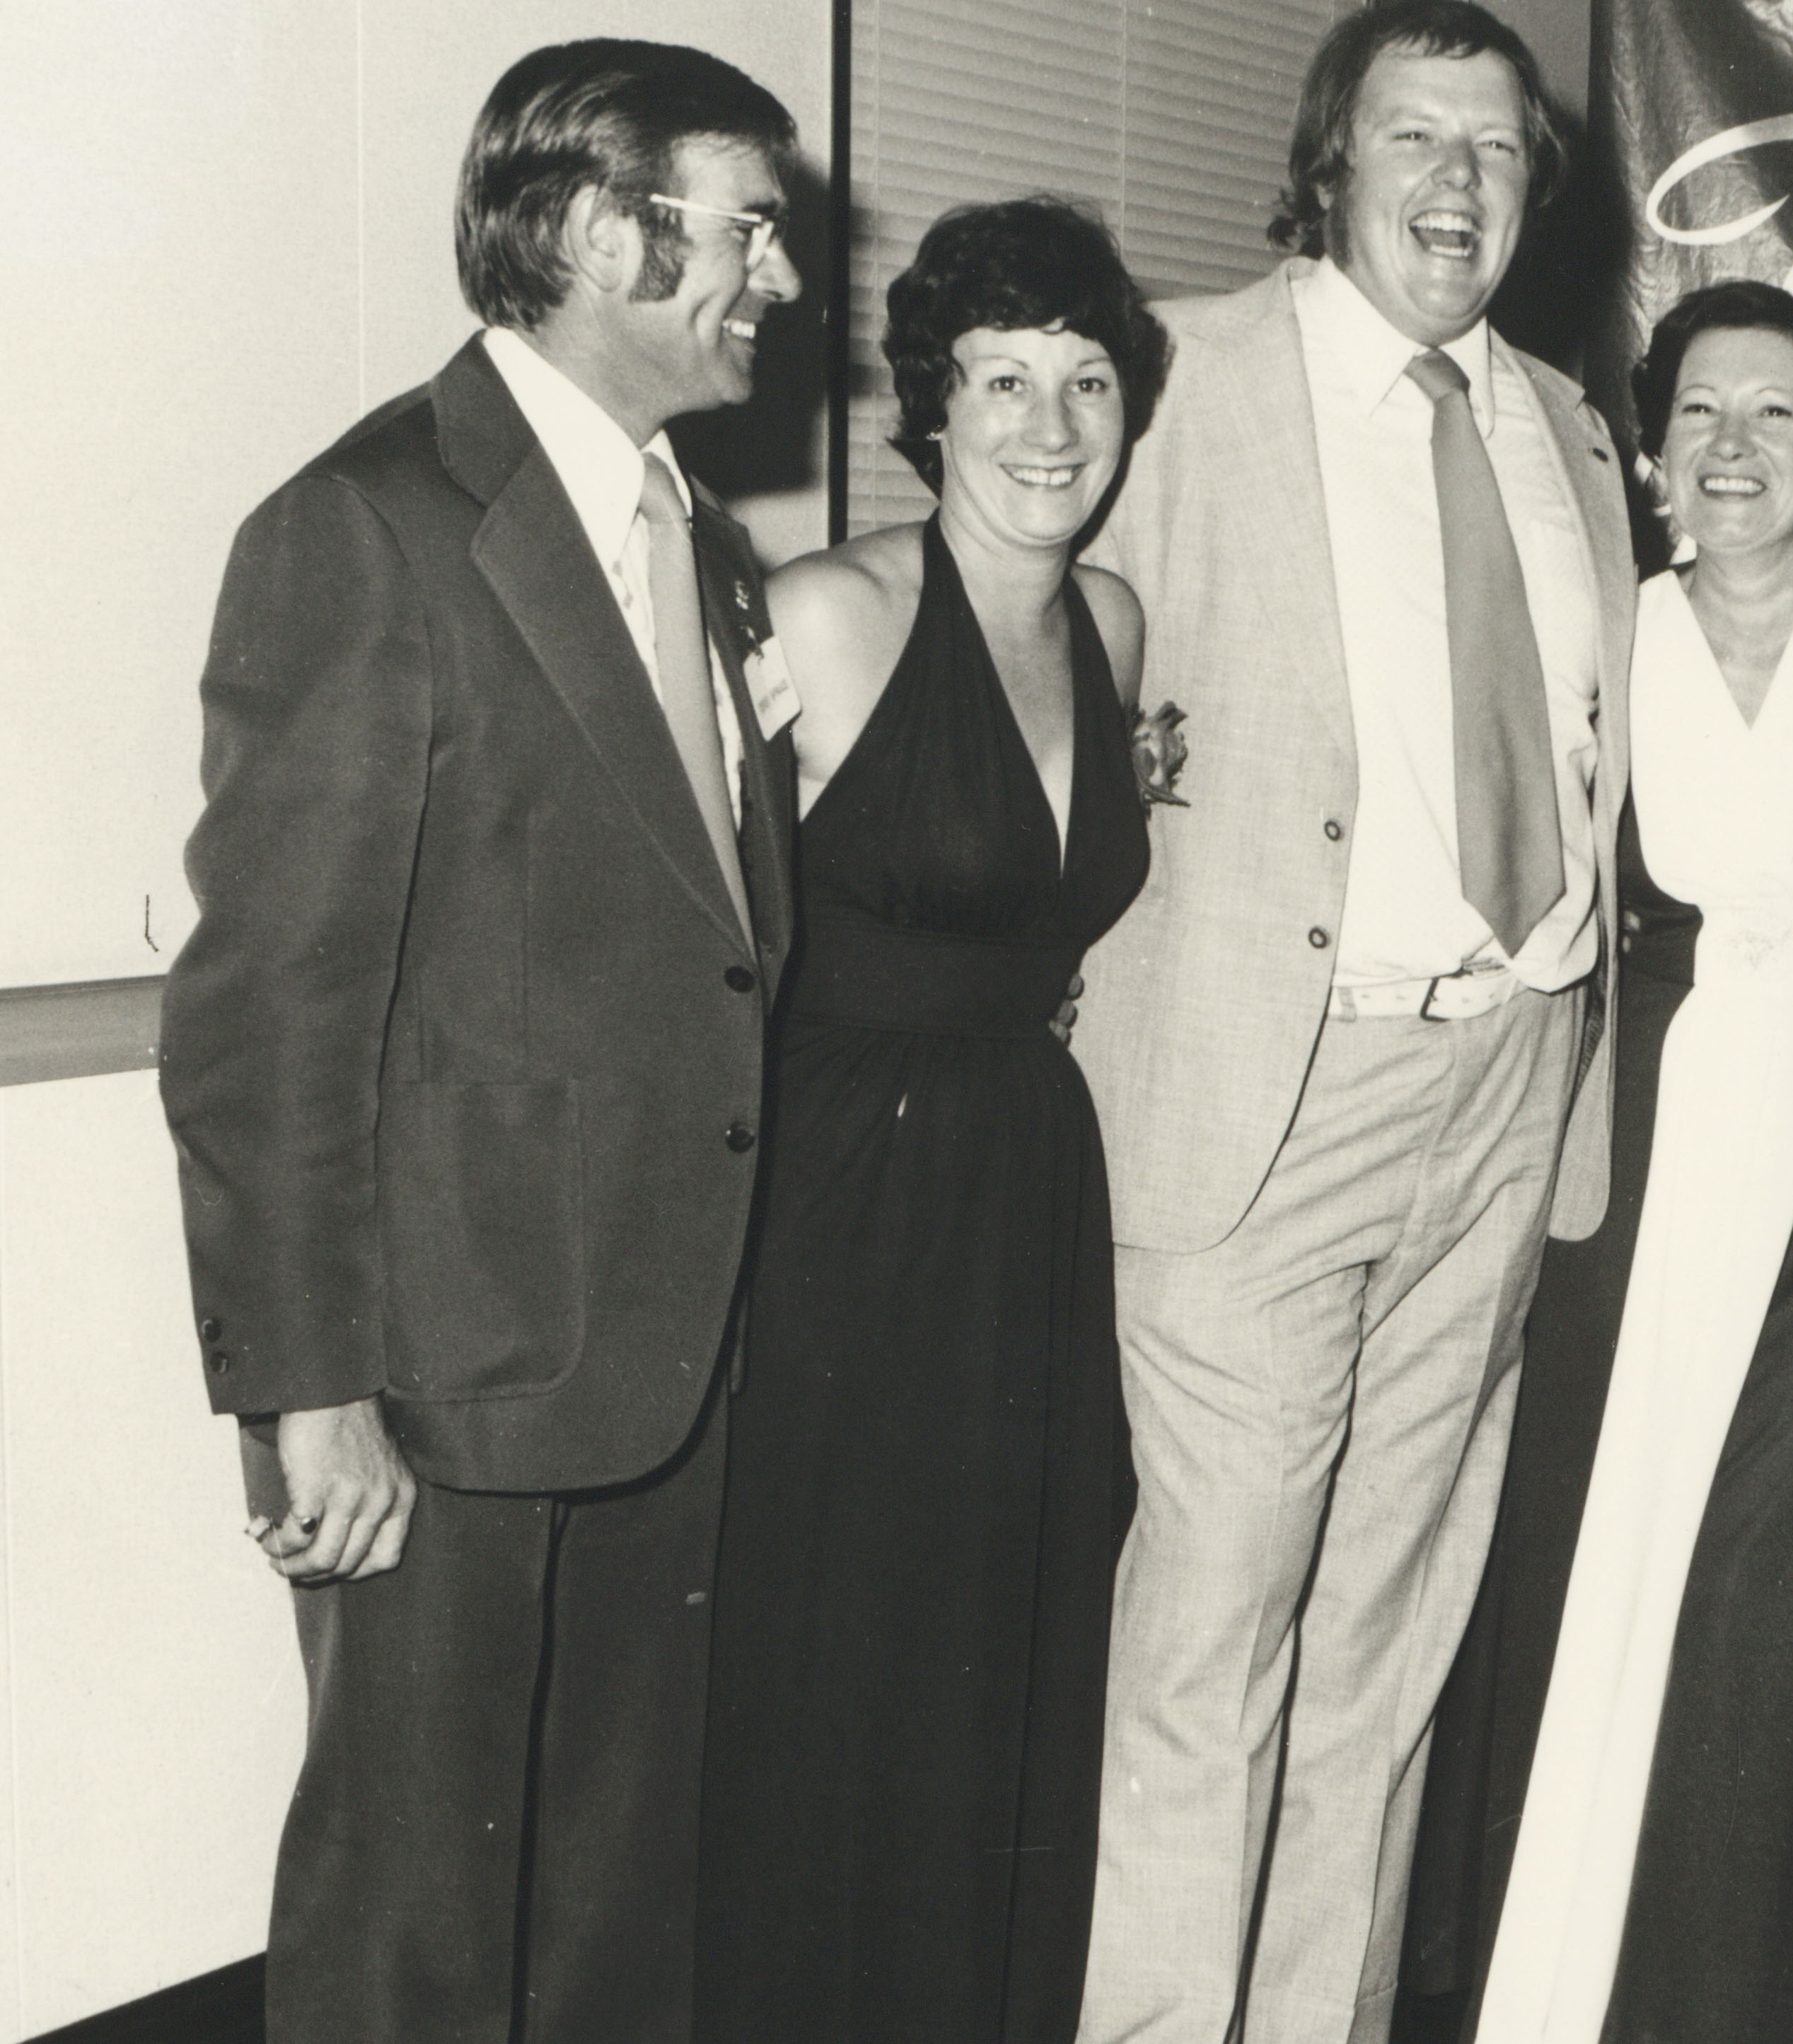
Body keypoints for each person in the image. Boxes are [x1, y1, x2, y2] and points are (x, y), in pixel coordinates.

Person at [1063, 8, 1793, 2040]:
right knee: (1214, 1637)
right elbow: (1025, 625)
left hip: (1511, 1086)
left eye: (1498, 150)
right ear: (1327, 164)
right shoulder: (1175, 381)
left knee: (1388, 1628)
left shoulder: (1559, 421)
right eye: (1411, 137)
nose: (1455, 183)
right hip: (1270, 1089)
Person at [155, 40, 803, 2044]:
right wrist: (308, 1387)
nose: (778, 279)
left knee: (614, 1922)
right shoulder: (362, 529)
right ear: (607, 233)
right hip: (442, 1381)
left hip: (653, 1346)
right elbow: (266, 1003)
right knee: (417, 1935)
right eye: (747, 229)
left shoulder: (693, 534)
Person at [1406, 279, 1793, 2044]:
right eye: (1697, 414)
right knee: (1609, 1546)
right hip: (1637, 1150)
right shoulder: (1597, 625)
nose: (1733, 447)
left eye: (1777, 413)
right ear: (1648, 452)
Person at [692, 196, 1165, 2043]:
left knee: (1003, 1655)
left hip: (1024, 1189)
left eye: (1084, 381)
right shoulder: (830, 608)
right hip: (840, 1188)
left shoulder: (1116, 622)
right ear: (929, 408)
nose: (1047, 427)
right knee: (833, 1659)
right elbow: (693, 937)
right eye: (999, 382)